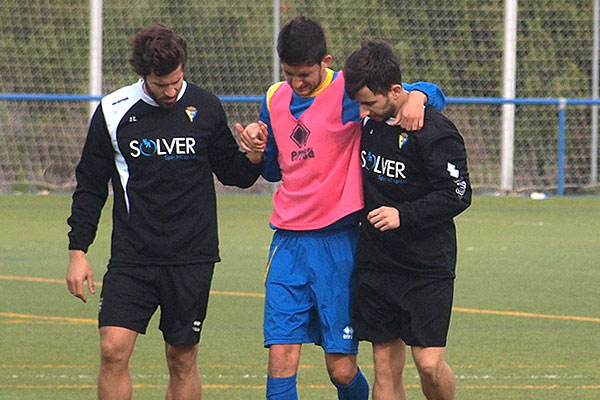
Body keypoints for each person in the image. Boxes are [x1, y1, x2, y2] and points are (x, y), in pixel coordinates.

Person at [236, 16, 445, 400]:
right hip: (287, 243)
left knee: (342, 369)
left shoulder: (347, 93)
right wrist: (255, 150)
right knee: (281, 358)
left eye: (304, 74)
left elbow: (417, 92)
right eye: (289, 74)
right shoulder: (273, 98)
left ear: (326, 61)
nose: (296, 83)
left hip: (340, 243)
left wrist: (422, 96)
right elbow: (271, 167)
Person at [65, 23, 264, 400]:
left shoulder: (205, 106)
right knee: (112, 350)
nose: (171, 91)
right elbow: (90, 187)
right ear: (143, 76)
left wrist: (254, 154)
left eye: (176, 81)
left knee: (182, 359)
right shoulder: (113, 112)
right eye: (161, 85)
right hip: (133, 257)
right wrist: (78, 252)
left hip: (191, 257)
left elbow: (234, 173)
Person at [342, 40, 472, 400]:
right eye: (360, 103)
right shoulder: (368, 120)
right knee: (384, 368)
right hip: (377, 261)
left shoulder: (433, 130)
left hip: (425, 265)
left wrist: (403, 215)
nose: (363, 112)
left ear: (397, 91)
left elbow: (458, 194)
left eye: (370, 102)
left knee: (428, 364)